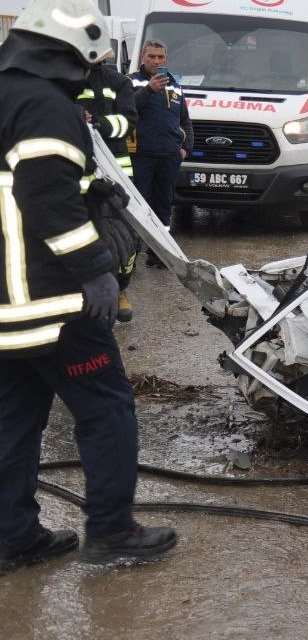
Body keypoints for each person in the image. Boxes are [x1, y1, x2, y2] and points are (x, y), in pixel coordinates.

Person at [0, 0, 178, 575]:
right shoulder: (47, 108)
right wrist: (96, 268)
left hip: (5, 307)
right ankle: (111, 530)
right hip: (53, 305)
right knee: (106, 410)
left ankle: (13, 537)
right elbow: (46, 199)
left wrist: (90, 194)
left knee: (14, 422)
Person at [78, 61, 140, 321]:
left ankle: (121, 290)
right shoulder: (63, 77)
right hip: (78, 169)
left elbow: (128, 122)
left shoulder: (118, 82)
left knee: (124, 236)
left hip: (116, 171)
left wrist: (99, 122)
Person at [129, 39, 193, 267]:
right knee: (139, 207)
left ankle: (159, 255)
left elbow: (185, 121)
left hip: (169, 157)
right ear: (142, 58)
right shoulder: (132, 82)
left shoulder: (175, 85)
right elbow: (128, 109)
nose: (156, 61)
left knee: (163, 209)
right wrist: (149, 89)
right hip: (141, 156)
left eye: (160, 57)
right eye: (151, 57)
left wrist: (186, 149)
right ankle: (131, 257)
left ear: (166, 59)